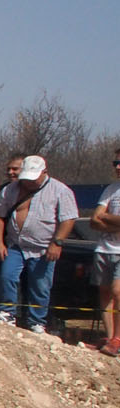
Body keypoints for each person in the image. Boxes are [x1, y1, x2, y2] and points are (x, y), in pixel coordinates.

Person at [0, 156, 77, 333]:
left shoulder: (60, 190)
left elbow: (68, 219)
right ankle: (7, 313)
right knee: (7, 277)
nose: (28, 182)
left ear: (44, 172)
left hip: (43, 247)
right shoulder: (10, 190)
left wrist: (57, 243)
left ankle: (37, 321)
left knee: (40, 285)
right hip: (16, 244)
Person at [91, 148, 120, 357]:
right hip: (104, 248)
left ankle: (118, 338)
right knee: (105, 293)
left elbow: (104, 216)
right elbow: (95, 219)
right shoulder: (111, 189)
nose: (117, 167)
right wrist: (113, 223)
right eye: (115, 163)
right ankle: (110, 338)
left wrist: (107, 217)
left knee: (118, 292)